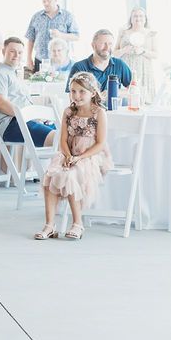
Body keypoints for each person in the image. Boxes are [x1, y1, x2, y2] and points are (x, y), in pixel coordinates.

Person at [34, 72, 113, 241]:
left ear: (93, 92)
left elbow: (100, 143)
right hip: (68, 153)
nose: (76, 96)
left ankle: (78, 224)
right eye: (73, 91)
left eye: (81, 91)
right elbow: (62, 139)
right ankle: (50, 225)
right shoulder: (69, 112)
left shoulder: (98, 113)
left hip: (91, 156)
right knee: (51, 175)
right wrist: (68, 155)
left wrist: (80, 157)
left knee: (70, 176)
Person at [0, 37, 57, 148]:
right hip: (12, 124)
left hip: (26, 120)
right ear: (4, 52)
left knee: (65, 134)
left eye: (20, 52)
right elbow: (1, 104)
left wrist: (37, 117)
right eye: (12, 51)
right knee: (59, 139)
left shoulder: (14, 74)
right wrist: (29, 116)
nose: (16, 55)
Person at [25, 0, 79, 72]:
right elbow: (30, 38)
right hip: (40, 60)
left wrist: (61, 35)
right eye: (44, 1)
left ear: (55, 0)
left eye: (49, 1)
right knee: (39, 84)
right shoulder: (36, 17)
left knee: (61, 84)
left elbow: (76, 36)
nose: (46, 3)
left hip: (60, 62)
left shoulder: (67, 16)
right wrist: (28, 58)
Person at [65, 29, 132, 95]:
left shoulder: (120, 65)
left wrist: (114, 92)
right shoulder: (79, 67)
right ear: (93, 45)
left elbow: (133, 89)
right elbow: (71, 96)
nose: (107, 47)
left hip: (114, 106)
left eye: (110, 44)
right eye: (103, 43)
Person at [115, 7, 158, 104]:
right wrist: (124, 50)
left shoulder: (151, 33)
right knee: (126, 99)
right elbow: (114, 53)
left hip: (144, 69)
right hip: (126, 67)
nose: (138, 18)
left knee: (144, 99)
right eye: (135, 16)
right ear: (131, 18)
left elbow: (156, 54)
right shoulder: (123, 32)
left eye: (141, 16)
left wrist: (143, 51)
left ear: (145, 18)